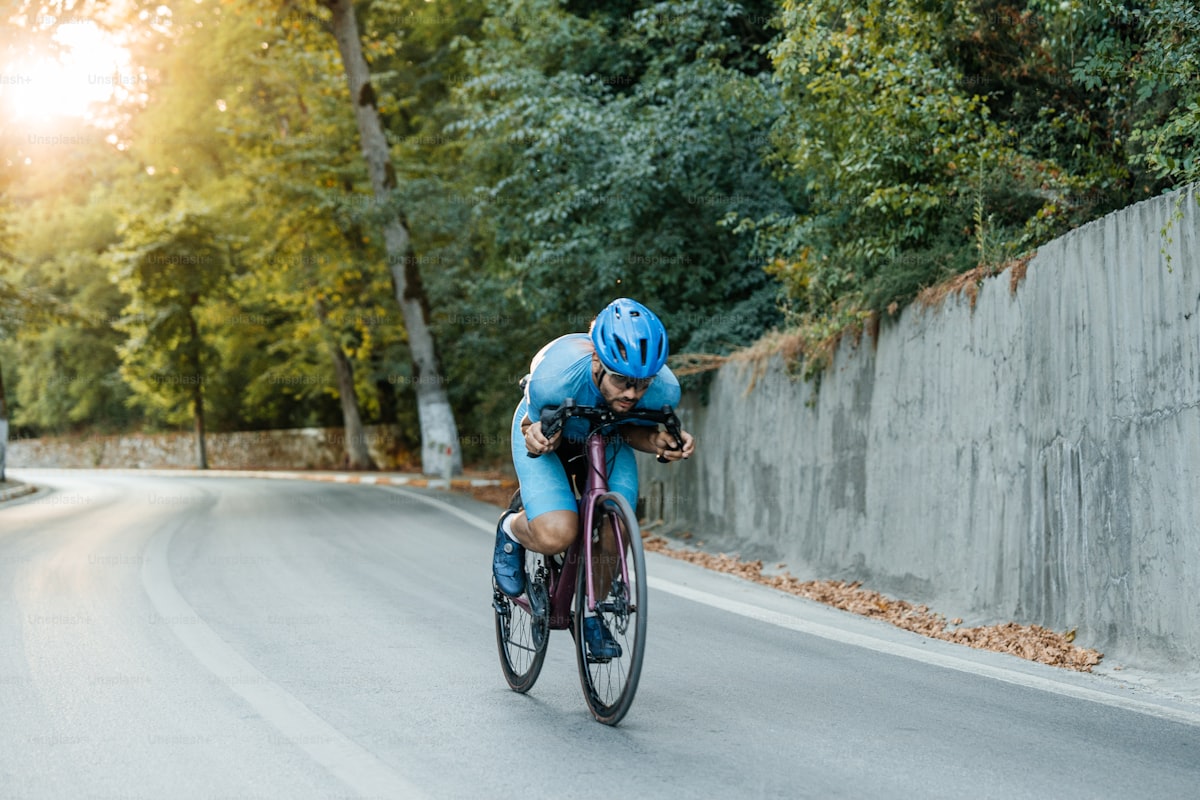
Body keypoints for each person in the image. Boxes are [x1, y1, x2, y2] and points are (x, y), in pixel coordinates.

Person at [492, 298, 696, 660]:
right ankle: (510, 530)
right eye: (621, 381)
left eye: (642, 384)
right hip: (552, 439)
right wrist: (538, 436)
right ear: (598, 362)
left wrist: (661, 443)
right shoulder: (554, 377)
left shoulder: (665, 391)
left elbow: (639, 432)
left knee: (617, 525)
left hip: (610, 440)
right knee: (558, 533)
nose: (632, 394)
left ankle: (591, 613)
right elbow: (531, 428)